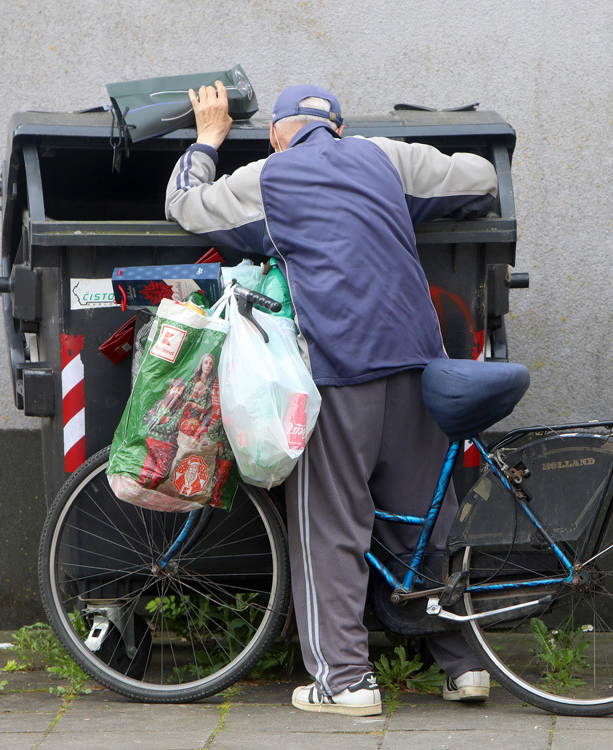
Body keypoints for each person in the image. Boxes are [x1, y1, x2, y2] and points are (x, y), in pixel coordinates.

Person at [165, 81, 499, 716]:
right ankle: (466, 668)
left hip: (341, 370)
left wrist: (208, 138)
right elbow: (482, 177)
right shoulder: (385, 157)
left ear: (275, 134)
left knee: (332, 527)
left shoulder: (269, 177)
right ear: (339, 129)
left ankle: (345, 681)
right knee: (426, 524)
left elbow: (183, 204)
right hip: (422, 368)